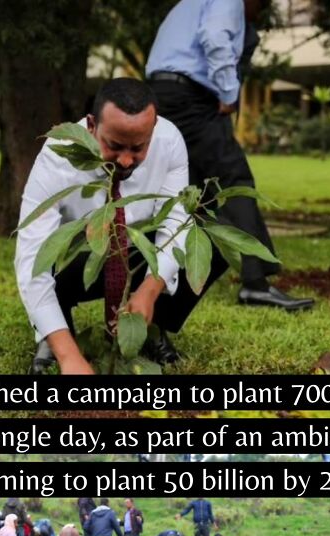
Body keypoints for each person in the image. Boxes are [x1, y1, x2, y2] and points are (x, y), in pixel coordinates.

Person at [16, 77, 230, 375]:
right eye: (114, 146)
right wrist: (69, 357)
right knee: (47, 260)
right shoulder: (58, 155)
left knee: (207, 238)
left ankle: (150, 327)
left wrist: (150, 289)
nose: (127, 161)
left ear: (153, 128)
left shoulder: (169, 141)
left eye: (138, 147)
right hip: (76, 261)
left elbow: (175, 222)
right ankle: (54, 339)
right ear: (92, 126)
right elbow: (31, 261)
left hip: (137, 253)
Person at [146, 0, 313, 311]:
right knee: (234, 181)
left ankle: (168, 277)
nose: (256, 15)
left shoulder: (190, 4)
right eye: (260, 7)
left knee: (187, 190)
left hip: (162, 95)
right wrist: (228, 93)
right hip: (192, 99)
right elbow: (215, 36)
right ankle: (256, 283)